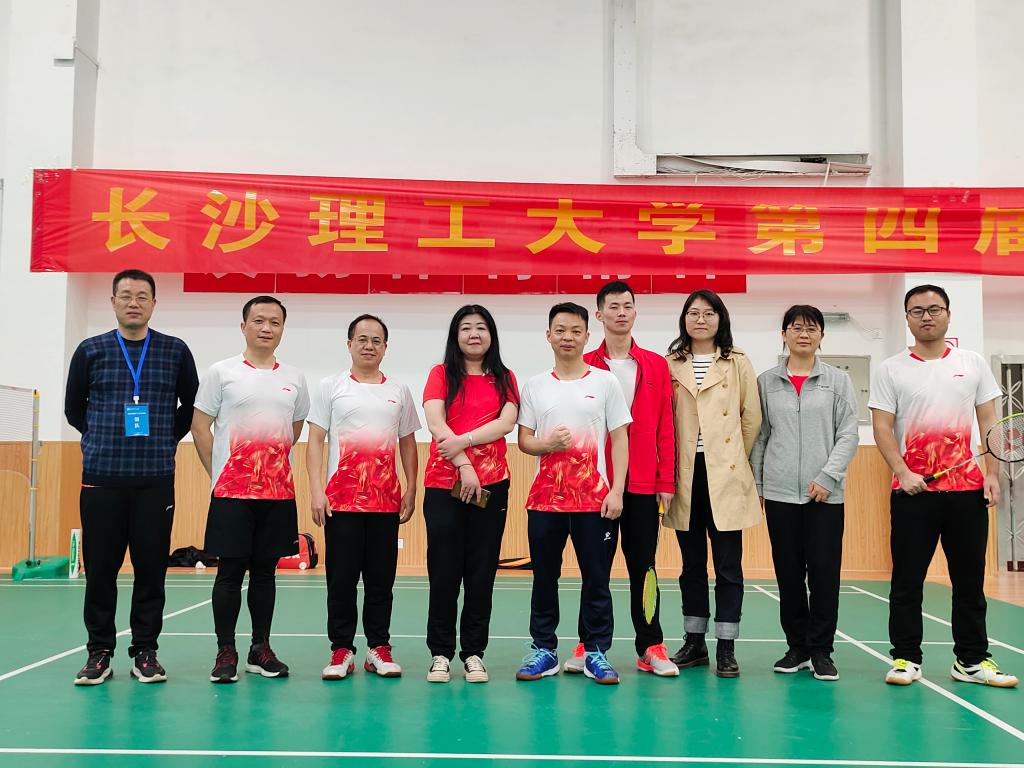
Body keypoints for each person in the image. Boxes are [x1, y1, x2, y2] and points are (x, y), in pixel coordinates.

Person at [870, 284, 1018, 688]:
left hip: (967, 492)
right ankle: (905, 658)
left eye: (934, 309)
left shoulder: (972, 363)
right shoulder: (891, 369)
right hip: (913, 493)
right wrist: (903, 472)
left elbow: (989, 423)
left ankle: (971, 660)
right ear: (907, 318)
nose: (926, 316)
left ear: (948, 315)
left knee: (969, 582)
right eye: (917, 310)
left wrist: (992, 474)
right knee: (906, 582)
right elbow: (881, 427)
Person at [65, 269, 198, 685]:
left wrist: (164, 437)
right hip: (101, 479)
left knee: (151, 571)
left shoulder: (175, 351)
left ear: (154, 303)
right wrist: (101, 436)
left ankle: (145, 651)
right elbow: (73, 408)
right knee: (100, 572)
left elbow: (191, 405)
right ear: (113, 302)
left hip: (154, 480)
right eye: (125, 295)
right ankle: (99, 652)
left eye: (142, 296)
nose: (134, 302)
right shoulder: (91, 350)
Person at [556, 281, 677, 677]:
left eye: (627, 306)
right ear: (599, 314)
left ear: (635, 312)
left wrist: (666, 481)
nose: (621, 312)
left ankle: (651, 646)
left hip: (643, 486)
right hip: (595, 486)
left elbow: (666, 427)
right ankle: (588, 644)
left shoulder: (656, 365)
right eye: (613, 306)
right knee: (595, 570)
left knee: (645, 568)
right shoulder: (585, 364)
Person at [192, 296, 310, 684]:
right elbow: (200, 426)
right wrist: (220, 474)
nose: (266, 328)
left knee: (265, 574)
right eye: (258, 320)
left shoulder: (294, 378)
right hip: (232, 494)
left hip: (277, 494)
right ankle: (225, 650)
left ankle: (261, 649)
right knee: (229, 573)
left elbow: (294, 428)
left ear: (282, 329)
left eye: (274, 322)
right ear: (243, 326)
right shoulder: (221, 372)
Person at [515, 302, 631, 685]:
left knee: (596, 579)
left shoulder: (605, 382)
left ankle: (594, 652)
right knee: (544, 578)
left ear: (586, 336)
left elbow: (619, 439)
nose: (568, 337)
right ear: (549, 335)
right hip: (545, 501)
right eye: (560, 330)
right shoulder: (535, 385)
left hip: (595, 500)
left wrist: (617, 490)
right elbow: (525, 441)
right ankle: (544, 650)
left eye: (575, 331)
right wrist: (546, 444)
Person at [306, 314, 420, 681]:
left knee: (380, 581)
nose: (369, 346)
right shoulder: (331, 386)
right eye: (362, 339)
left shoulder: (399, 390)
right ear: (349, 344)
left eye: (376, 340)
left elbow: (408, 442)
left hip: (385, 502)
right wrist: (316, 490)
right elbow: (315, 440)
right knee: (340, 580)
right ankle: (341, 649)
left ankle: (378, 648)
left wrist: (411, 487)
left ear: (386, 347)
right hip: (341, 501)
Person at [750, 305, 859, 681]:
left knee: (825, 575)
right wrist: (759, 486)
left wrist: (828, 477)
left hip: (825, 496)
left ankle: (822, 650)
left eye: (811, 328)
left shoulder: (838, 381)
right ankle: (796, 647)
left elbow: (848, 433)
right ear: (783, 334)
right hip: (780, 494)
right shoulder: (766, 382)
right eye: (796, 327)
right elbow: (760, 438)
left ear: (821, 336)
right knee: (789, 574)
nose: (803, 334)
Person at [664, 289, 761, 678]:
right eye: (693, 313)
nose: (700, 319)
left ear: (721, 319)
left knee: (728, 566)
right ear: (684, 319)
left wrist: (731, 457)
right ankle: (694, 642)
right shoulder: (671, 363)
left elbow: (751, 417)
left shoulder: (737, 362)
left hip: (726, 473)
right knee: (690, 565)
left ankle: (726, 646)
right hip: (685, 473)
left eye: (708, 313)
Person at [421, 305, 519, 684]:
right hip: (444, 484)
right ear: (455, 335)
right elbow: (435, 422)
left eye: (481, 327)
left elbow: (506, 423)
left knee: (481, 574)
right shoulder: (440, 374)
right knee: (444, 573)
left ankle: (474, 653)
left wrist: (464, 441)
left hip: (492, 485)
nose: (474, 334)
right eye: (466, 328)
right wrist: (464, 464)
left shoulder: (504, 378)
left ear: (491, 335)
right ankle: (440, 653)